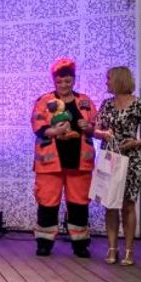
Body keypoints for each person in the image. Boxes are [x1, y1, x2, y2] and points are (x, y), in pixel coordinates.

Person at [31, 57, 98, 258]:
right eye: (59, 81)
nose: (63, 85)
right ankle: (44, 243)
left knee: (79, 204)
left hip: (80, 162)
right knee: (47, 203)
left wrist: (89, 128)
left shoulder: (85, 101)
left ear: (74, 79)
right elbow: (37, 126)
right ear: (54, 81)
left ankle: (80, 244)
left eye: (67, 81)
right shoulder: (44, 101)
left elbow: (96, 127)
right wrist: (54, 131)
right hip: (50, 162)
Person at [92, 66, 141, 266]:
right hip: (110, 158)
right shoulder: (106, 104)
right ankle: (112, 248)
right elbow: (96, 129)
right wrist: (103, 134)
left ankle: (129, 251)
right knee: (110, 203)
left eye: (109, 79)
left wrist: (137, 142)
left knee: (128, 205)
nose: (106, 82)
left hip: (131, 159)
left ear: (119, 80)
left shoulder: (138, 104)